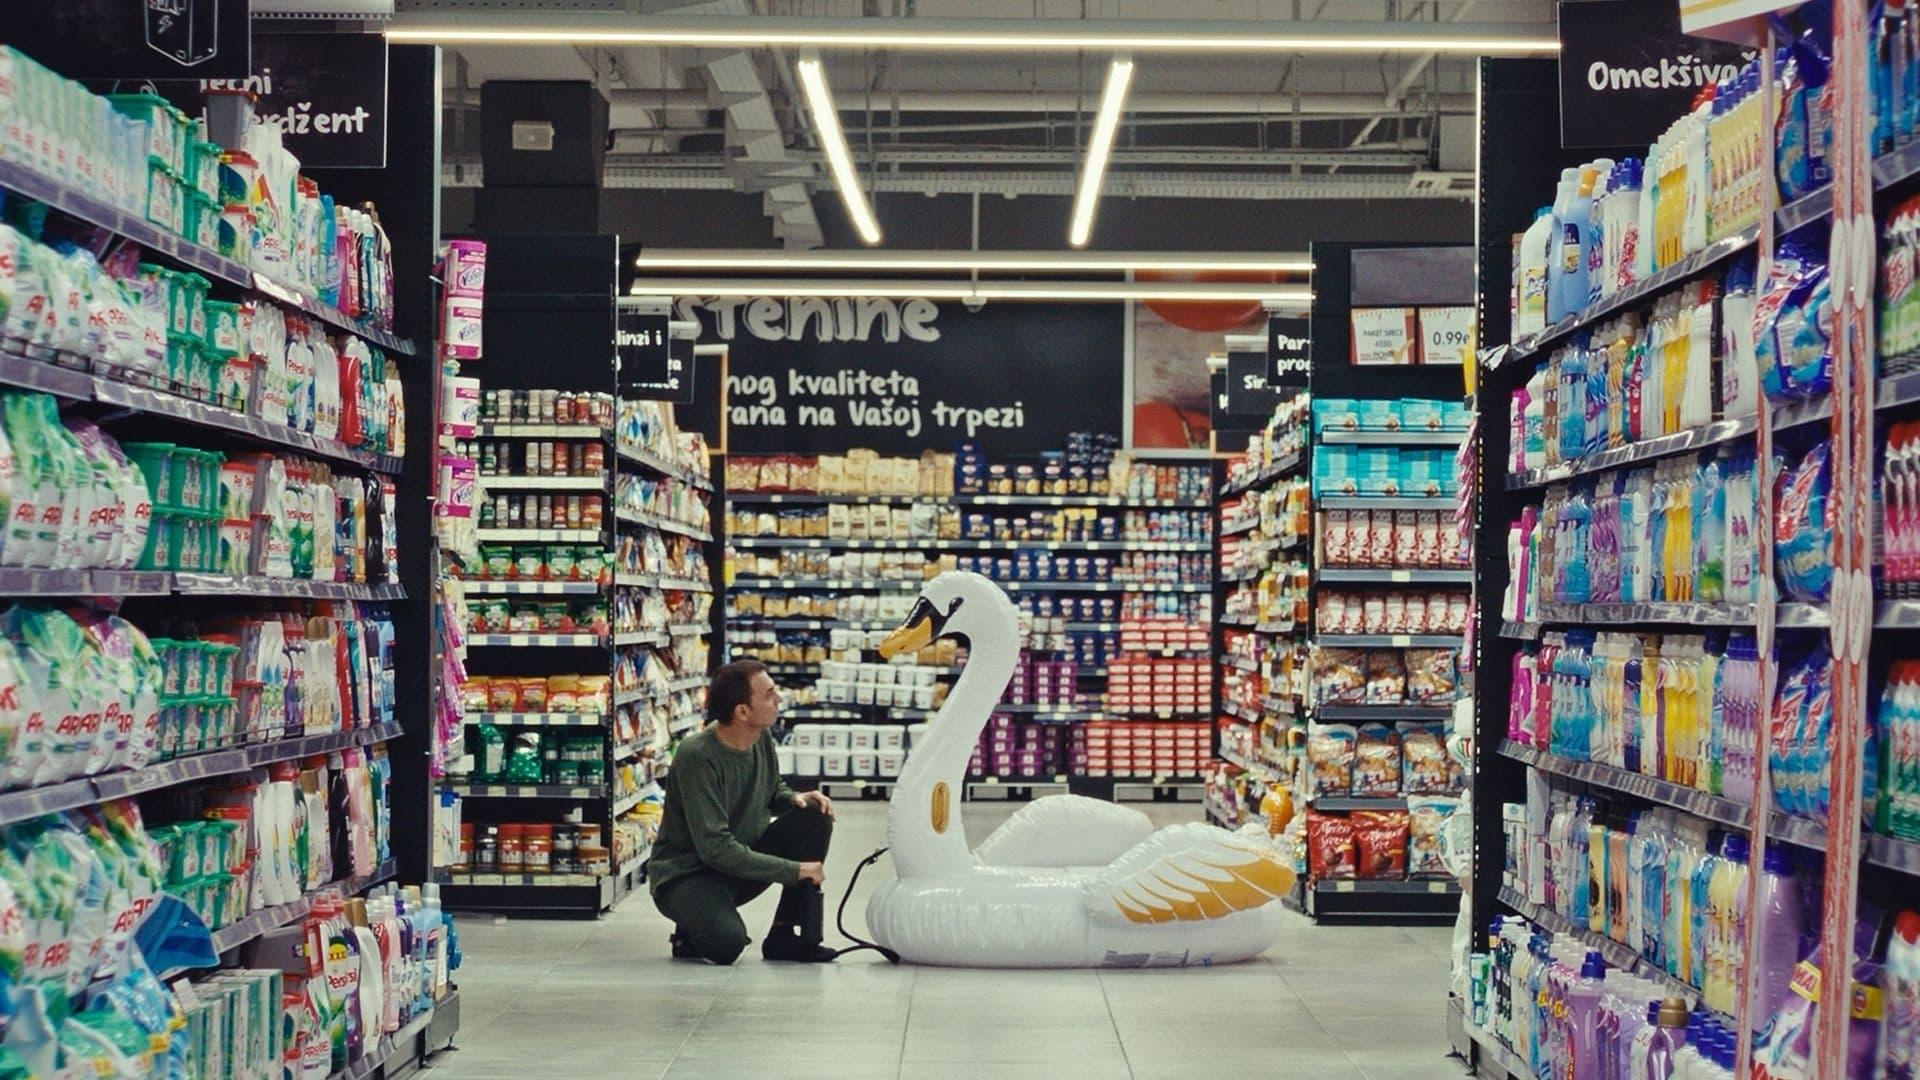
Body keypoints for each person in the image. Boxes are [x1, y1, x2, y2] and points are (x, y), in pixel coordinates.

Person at [649, 659, 837, 963]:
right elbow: (715, 849)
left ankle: (784, 934)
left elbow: (771, 789)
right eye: (769, 694)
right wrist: (794, 871)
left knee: (815, 814)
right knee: (727, 944)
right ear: (742, 711)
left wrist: (794, 799)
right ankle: (691, 928)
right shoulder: (697, 756)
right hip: (688, 875)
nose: (778, 699)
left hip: (737, 864)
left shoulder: (760, 738)